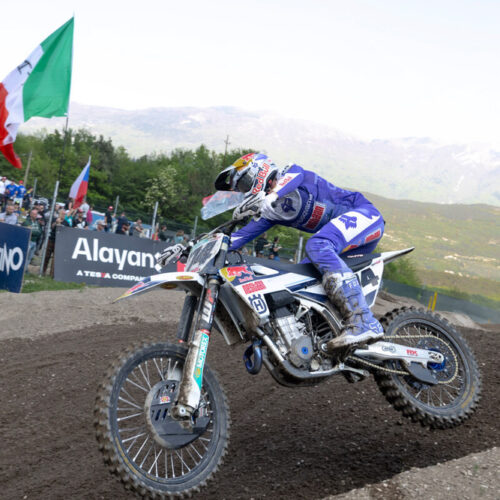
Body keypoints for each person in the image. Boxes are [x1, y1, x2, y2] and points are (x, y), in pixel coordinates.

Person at [213, 152, 385, 349]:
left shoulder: (290, 172)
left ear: (260, 171)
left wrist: (274, 195)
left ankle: (364, 320)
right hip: (339, 241)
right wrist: (198, 246)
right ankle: (320, 336)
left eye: (244, 183)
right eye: (241, 189)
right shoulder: (270, 212)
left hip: (365, 215)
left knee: (317, 245)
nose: (244, 191)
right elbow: (237, 238)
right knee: (300, 277)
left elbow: (295, 176)